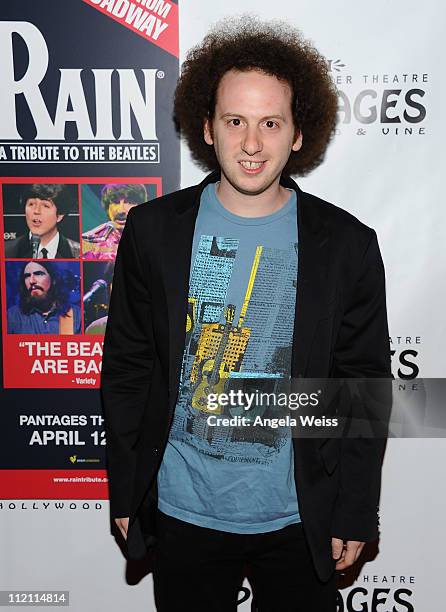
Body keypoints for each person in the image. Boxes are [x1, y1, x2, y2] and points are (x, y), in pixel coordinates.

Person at [101, 17, 391, 611]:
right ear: (207, 128)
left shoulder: (346, 244)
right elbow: (128, 369)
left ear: (298, 134)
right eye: (235, 121)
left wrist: (356, 508)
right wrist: (127, 493)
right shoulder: (153, 232)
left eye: (270, 123)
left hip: (301, 515)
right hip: (182, 511)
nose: (252, 143)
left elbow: (362, 388)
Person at [4, 184, 80, 259]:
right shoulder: (6, 251)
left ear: (60, 215)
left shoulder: (78, 253)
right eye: (31, 204)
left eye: (45, 206)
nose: (36, 211)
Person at [7, 260, 81, 334]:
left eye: (38, 274)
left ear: (53, 279)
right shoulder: (12, 316)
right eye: (27, 276)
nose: (31, 281)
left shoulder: (76, 314)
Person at [81, 183, 148, 260]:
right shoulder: (89, 241)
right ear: (107, 208)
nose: (120, 210)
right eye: (115, 202)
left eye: (129, 202)